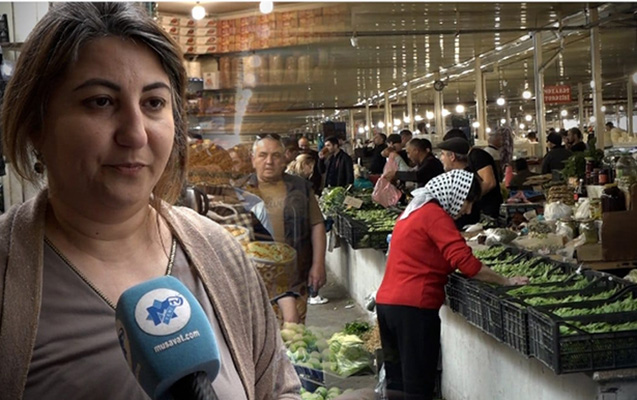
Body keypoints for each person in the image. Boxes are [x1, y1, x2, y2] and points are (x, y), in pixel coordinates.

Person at [0, 4, 301, 399]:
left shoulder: (220, 254)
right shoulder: (8, 273)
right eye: (101, 101)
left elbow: (277, 389)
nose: (136, 134)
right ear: (35, 125)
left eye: (154, 103)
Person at [375, 170, 529, 400]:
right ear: (456, 193)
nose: (467, 210)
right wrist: (505, 280)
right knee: (418, 386)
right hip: (413, 309)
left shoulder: (415, 210)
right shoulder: (434, 215)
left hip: (388, 306)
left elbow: (431, 252)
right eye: (468, 202)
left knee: (398, 384)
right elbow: (467, 264)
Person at [244, 134, 327, 323]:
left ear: (284, 159)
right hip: (255, 282)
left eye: (276, 155)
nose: (269, 161)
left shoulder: (301, 187)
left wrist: (318, 264)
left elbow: (317, 224)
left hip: (295, 276)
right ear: (253, 159)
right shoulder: (240, 191)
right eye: (263, 155)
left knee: (295, 333)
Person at [440, 130, 503, 227]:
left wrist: (468, 199)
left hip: (487, 209)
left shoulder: (477, 155)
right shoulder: (466, 161)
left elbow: (490, 182)